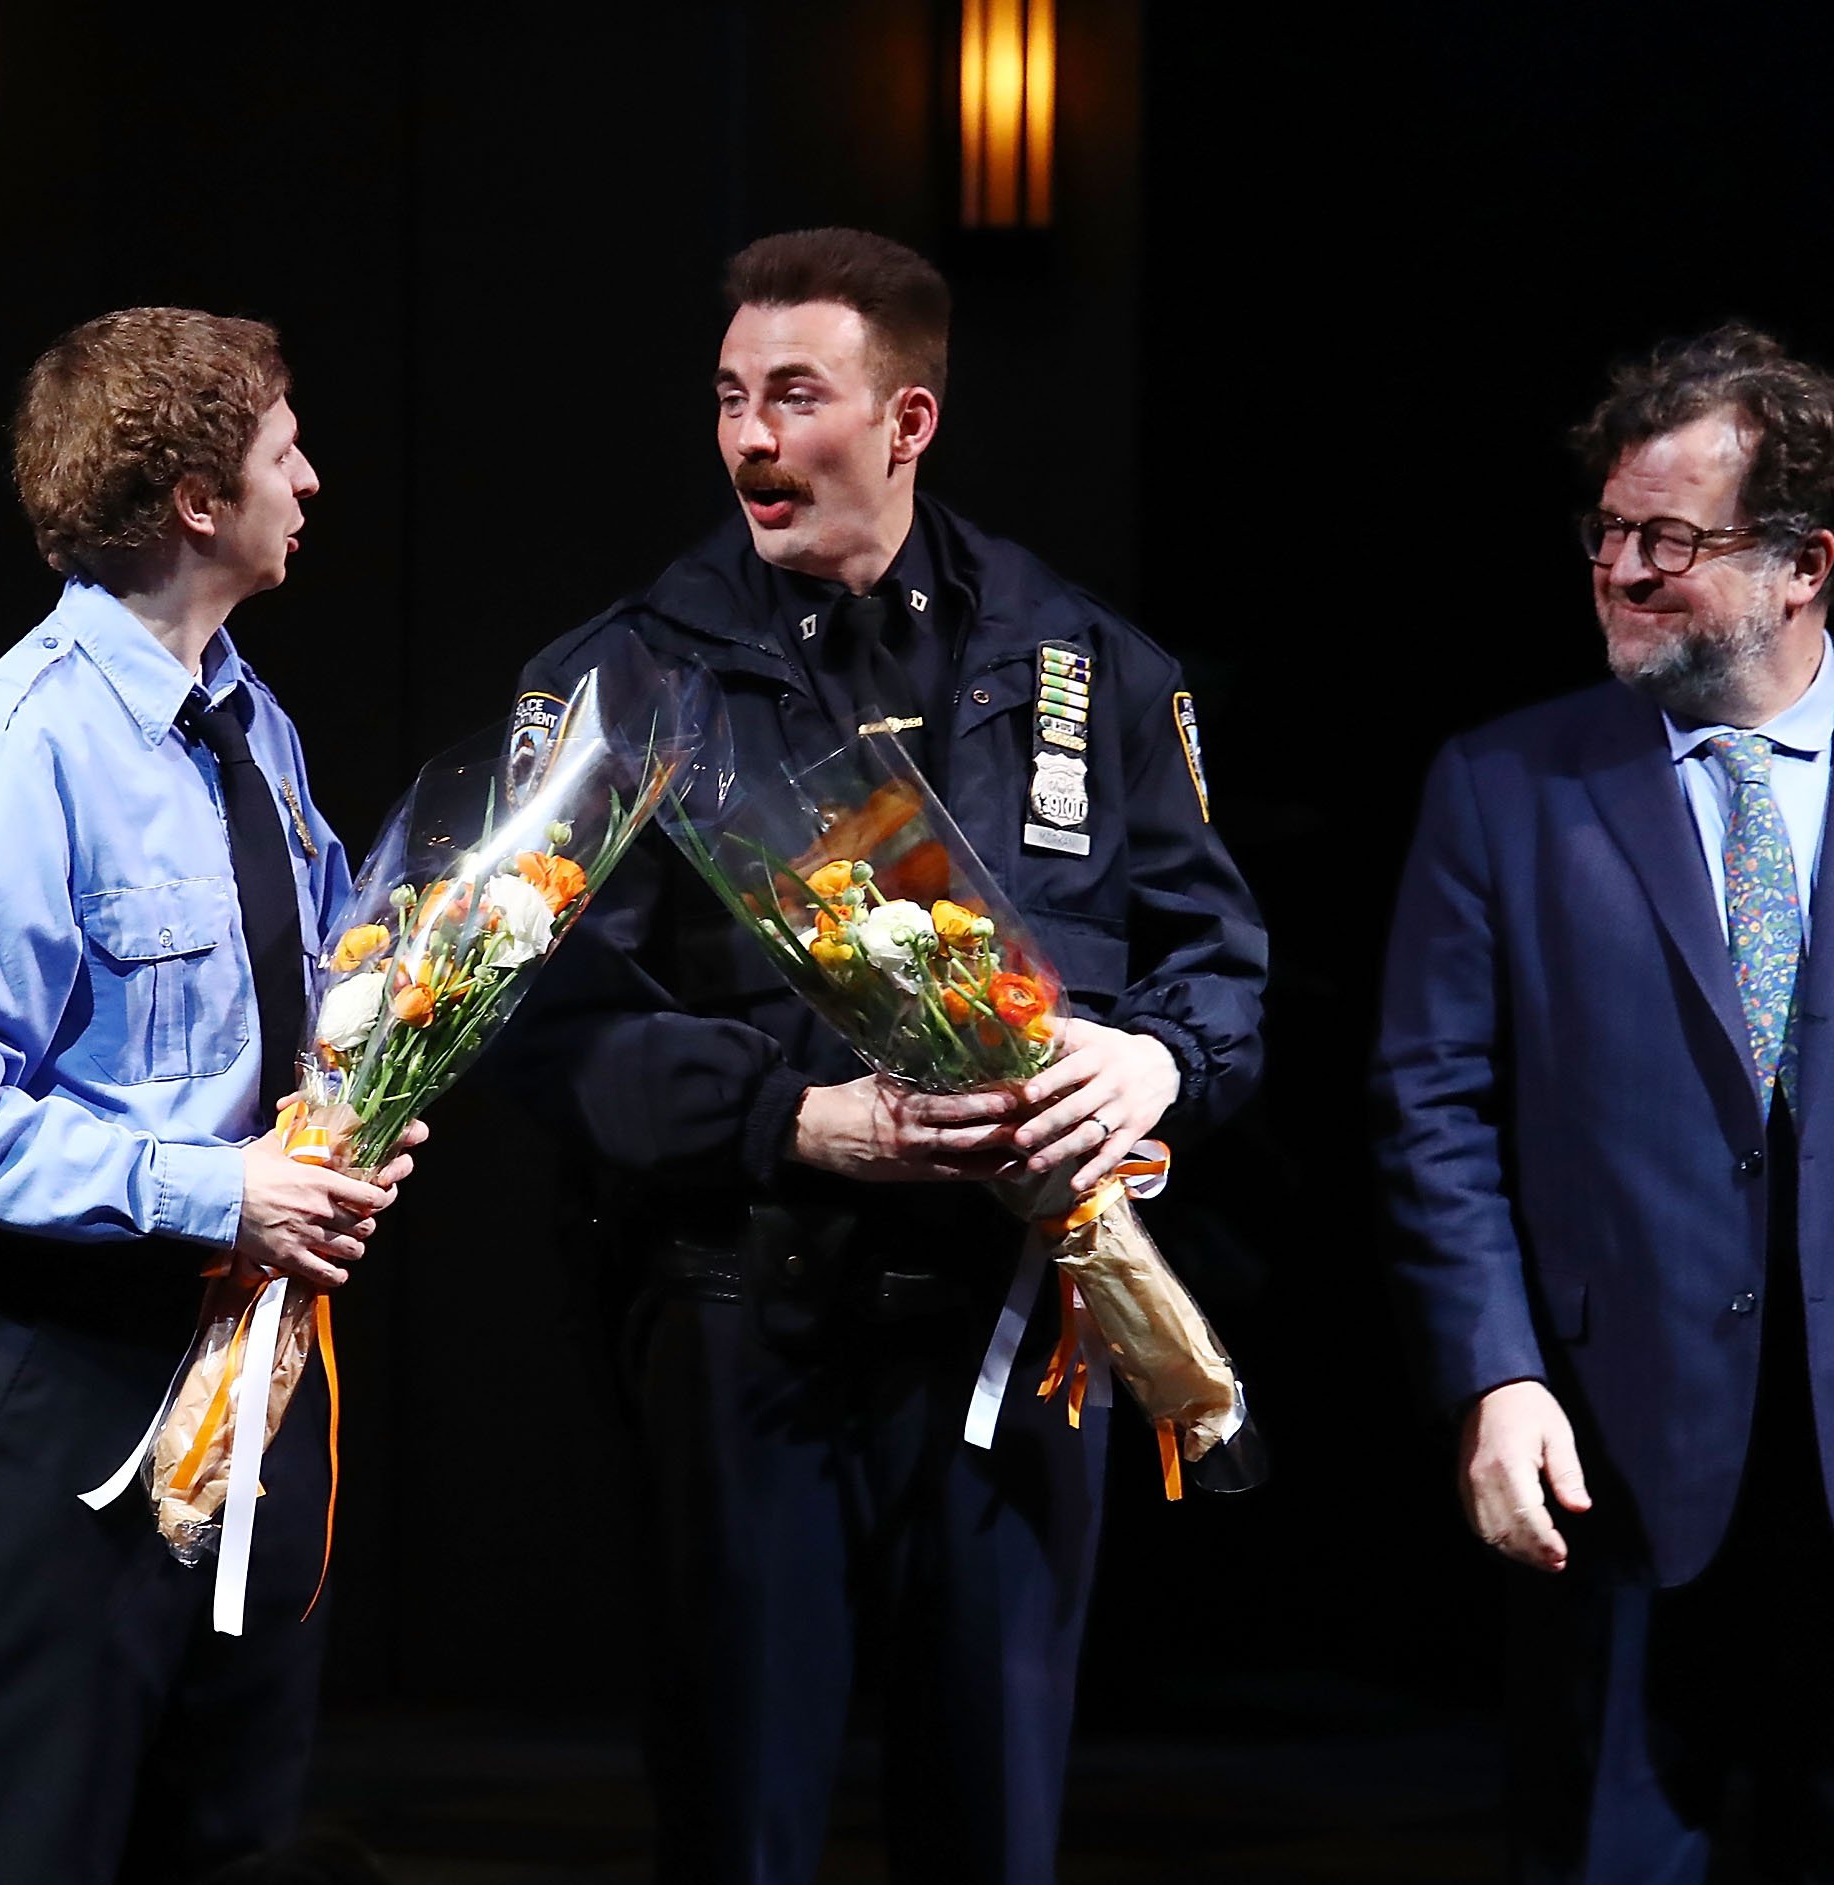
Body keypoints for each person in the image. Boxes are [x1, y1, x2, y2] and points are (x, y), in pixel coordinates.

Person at [504, 228, 1267, 1882]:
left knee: (995, 1825)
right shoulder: (632, 676)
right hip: (746, 1325)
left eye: (795, 396)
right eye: (727, 398)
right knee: (744, 1822)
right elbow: (546, 1026)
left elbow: (1219, 965)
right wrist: (796, 1121)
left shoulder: (1079, 665)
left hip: (1014, 1333)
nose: (749, 439)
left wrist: (1154, 1070)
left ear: (908, 422)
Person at [1374, 325, 1834, 1880]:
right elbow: (1429, 1107)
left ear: (1804, 564)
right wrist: (1491, 1373)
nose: (1622, 568)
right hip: (1613, 1467)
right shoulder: (1502, 784)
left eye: (1671, 539)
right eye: (1608, 532)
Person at [0, 307, 422, 1885]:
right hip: (70, 1386)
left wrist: (352, 1110)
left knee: (233, 1840)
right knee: (47, 1845)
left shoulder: (254, 723)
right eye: (281, 446)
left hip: (251, 1368)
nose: (308, 476)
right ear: (193, 495)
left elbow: (295, 1000)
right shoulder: (16, 747)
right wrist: (218, 1186)